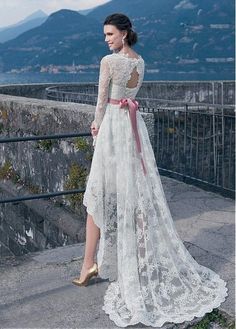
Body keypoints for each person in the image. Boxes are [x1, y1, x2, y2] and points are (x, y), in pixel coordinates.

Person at [72, 13, 228, 328]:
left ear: (124, 33)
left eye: (110, 34)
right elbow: (129, 97)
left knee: (98, 195)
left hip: (115, 130)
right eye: (105, 36)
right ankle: (137, 265)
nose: (107, 40)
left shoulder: (109, 62)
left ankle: (89, 264)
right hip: (134, 131)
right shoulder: (140, 63)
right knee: (135, 197)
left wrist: (95, 125)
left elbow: (101, 102)